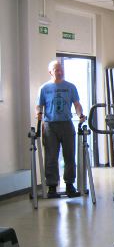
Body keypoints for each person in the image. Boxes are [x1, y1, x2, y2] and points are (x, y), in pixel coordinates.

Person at [35, 60, 85, 198]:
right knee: (51, 157)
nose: (59, 72)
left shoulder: (70, 87)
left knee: (69, 156)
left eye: (61, 69)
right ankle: (52, 186)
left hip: (66, 124)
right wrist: (38, 113)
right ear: (50, 72)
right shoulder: (44, 88)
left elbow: (77, 104)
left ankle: (69, 185)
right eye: (56, 70)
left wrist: (80, 114)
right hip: (50, 125)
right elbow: (38, 105)